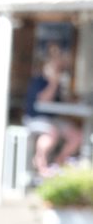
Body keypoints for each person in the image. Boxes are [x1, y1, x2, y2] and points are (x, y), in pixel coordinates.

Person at [25, 43, 82, 176]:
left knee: (77, 135)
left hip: (53, 119)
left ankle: (59, 162)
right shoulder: (39, 79)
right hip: (35, 118)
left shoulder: (59, 81)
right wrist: (53, 82)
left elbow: (62, 101)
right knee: (51, 134)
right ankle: (41, 165)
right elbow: (43, 100)